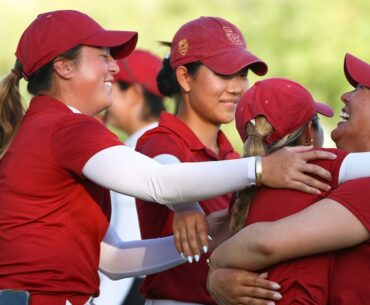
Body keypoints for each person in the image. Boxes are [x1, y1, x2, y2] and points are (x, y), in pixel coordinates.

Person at [0, 9, 337, 305]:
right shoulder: (65, 126)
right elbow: (159, 180)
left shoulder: (50, 126)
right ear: (63, 67)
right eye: (103, 55)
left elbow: (114, 260)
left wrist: (205, 236)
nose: (114, 67)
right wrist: (261, 168)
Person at [207, 53, 370, 305]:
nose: (345, 96)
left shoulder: (355, 185)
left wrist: (216, 267)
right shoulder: (321, 178)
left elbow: (264, 243)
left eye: (361, 88)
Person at [133, 16, 271, 305]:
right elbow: (167, 173)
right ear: (185, 78)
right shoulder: (161, 140)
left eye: (242, 74)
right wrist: (184, 203)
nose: (236, 87)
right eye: (224, 73)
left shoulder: (234, 157)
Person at [95, 49, 165, 305]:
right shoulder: (167, 141)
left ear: (134, 93)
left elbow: (126, 240)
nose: (103, 92)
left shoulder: (138, 150)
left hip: (134, 284)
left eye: (110, 85)